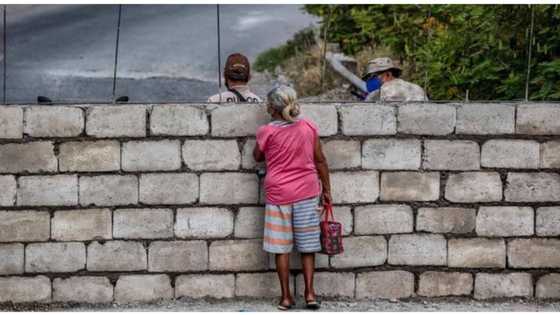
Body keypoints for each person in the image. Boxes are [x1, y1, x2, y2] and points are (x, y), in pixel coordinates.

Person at [253, 85, 331, 311]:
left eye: (268, 104)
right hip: (307, 192)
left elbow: (257, 156)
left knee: (281, 248)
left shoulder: (267, 131)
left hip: (279, 195)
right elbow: (321, 161)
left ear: (273, 108)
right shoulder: (308, 127)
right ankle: (310, 293)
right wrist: (327, 190)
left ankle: (286, 297)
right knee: (307, 246)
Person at [364, 57, 428, 102]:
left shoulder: (387, 88)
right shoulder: (417, 87)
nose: (371, 79)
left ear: (388, 74)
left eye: (374, 76)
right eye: (369, 77)